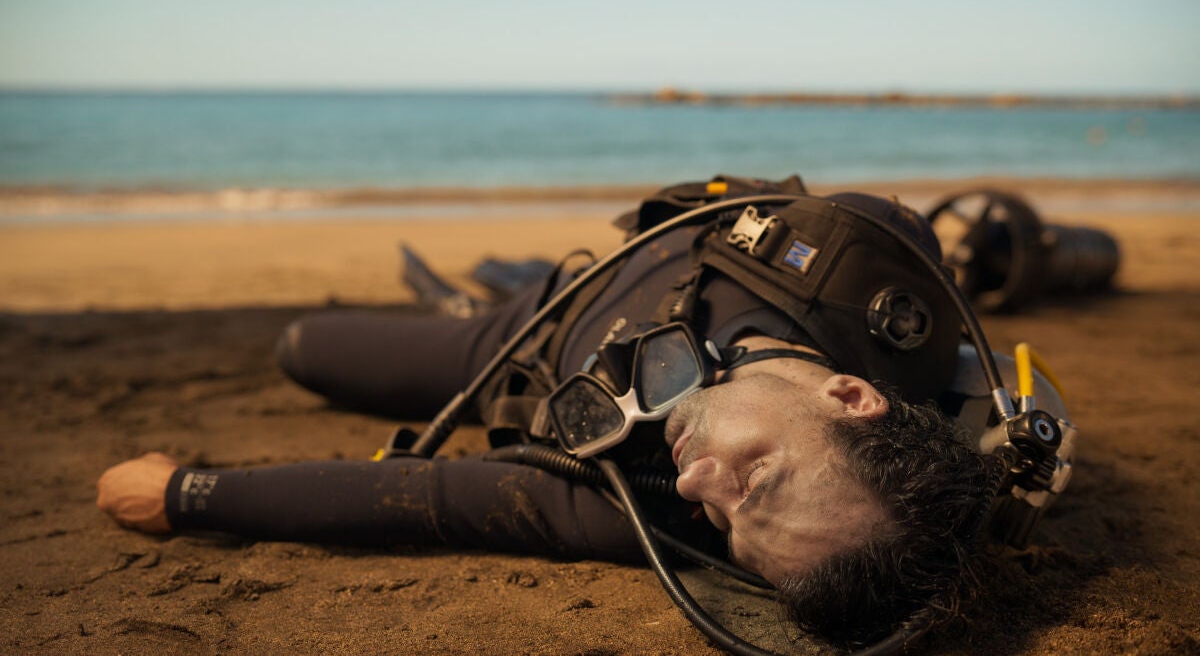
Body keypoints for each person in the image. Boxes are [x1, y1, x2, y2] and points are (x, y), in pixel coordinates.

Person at [97, 178, 1004, 647]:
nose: (698, 484)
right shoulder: (870, 275)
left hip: (512, 349)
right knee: (309, 341)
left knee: (305, 349)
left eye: (728, 527)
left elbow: (429, 498)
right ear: (849, 394)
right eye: (755, 476)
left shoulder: (648, 503)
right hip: (584, 277)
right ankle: (497, 278)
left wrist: (190, 494)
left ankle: (474, 301)